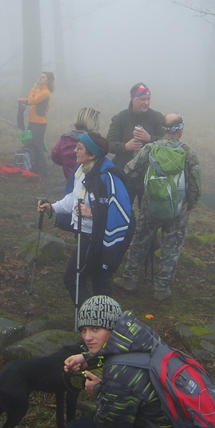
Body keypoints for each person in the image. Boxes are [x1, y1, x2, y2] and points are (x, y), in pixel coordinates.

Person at [62, 295, 174, 428]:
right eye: (84, 330)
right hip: (174, 423)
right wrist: (86, 358)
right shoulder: (142, 336)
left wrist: (98, 389)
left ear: (112, 327)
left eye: (95, 328)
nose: (87, 337)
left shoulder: (119, 375)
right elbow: (118, 351)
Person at [37, 132, 134, 306]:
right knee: (98, 279)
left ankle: (93, 321)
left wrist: (92, 213)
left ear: (92, 154)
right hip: (86, 233)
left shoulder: (107, 176)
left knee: (75, 279)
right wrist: (52, 207)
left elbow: (120, 210)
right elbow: (73, 200)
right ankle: (101, 323)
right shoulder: (82, 170)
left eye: (79, 148)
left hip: (97, 238)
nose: (74, 150)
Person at [114, 113, 201, 301]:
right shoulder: (188, 152)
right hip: (177, 208)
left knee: (140, 241)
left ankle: (129, 279)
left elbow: (130, 170)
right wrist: (189, 205)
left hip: (150, 204)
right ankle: (162, 289)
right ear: (180, 129)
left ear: (163, 129)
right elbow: (195, 185)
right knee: (171, 247)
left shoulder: (150, 149)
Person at [106, 83, 165, 178]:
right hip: (124, 172)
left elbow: (166, 144)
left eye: (148, 99)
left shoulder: (157, 117)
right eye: (142, 99)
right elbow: (108, 144)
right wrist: (125, 146)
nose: (146, 102)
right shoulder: (120, 118)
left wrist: (149, 138)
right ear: (133, 99)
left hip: (150, 174)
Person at [18, 71, 54, 176]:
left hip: (39, 123)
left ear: (48, 81)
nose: (40, 78)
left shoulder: (45, 92)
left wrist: (33, 89)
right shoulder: (39, 91)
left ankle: (43, 171)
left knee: (38, 146)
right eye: (40, 76)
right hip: (32, 122)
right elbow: (30, 100)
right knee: (32, 144)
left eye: (43, 77)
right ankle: (35, 167)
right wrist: (22, 100)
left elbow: (32, 101)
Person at [50, 107, 100, 180]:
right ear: (93, 122)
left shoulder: (65, 139)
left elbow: (55, 156)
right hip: (90, 183)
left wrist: (66, 164)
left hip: (70, 180)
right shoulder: (93, 142)